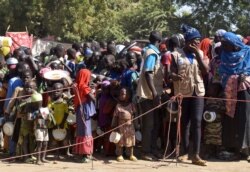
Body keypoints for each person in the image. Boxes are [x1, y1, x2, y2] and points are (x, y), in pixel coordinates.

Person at [170, 24, 209, 166]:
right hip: (183, 92)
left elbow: (205, 71)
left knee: (197, 121)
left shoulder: (201, 54)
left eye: (198, 40)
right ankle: (184, 152)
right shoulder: (175, 54)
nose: (197, 43)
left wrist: (198, 55)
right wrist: (174, 76)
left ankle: (196, 155)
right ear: (187, 41)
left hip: (198, 91)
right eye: (194, 40)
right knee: (184, 123)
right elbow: (171, 72)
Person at [219, 32, 250, 162]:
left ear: (233, 43)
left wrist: (245, 76)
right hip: (229, 91)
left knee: (245, 118)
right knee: (231, 119)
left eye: (226, 44)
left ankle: (247, 149)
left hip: (245, 90)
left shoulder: (248, 52)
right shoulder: (224, 55)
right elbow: (221, 72)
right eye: (223, 45)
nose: (224, 47)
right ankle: (235, 148)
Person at [136, 30, 164, 161]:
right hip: (148, 94)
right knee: (149, 124)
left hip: (151, 93)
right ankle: (145, 151)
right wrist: (154, 93)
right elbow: (148, 73)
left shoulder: (146, 50)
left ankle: (153, 148)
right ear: (159, 42)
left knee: (155, 123)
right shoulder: (152, 54)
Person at [74, 69, 96, 163]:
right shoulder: (83, 86)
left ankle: (82, 153)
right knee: (86, 131)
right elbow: (92, 98)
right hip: (85, 110)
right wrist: (94, 91)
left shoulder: (77, 85)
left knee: (81, 131)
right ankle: (86, 154)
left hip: (80, 109)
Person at [111, 87, 138, 162]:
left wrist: (136, 125)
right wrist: (114, 126)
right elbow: (115, 117)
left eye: (123, 94)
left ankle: (131, 155)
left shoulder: (132, 105)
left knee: (131, 140)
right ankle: (120, 155)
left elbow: (135, 115)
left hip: (130, 125)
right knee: (120, 141)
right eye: (120, 94)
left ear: (128, 96)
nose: (121, 96)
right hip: (121, 126)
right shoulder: (118, 106)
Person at [48, 82, 69, 160]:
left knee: (65, 138)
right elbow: (49, 110)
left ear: (62, 91)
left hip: (63, 123)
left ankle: (67, 152)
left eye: (58, 91)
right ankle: (57, 153)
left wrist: (63, 123)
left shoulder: (64, 102)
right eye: (54, 90)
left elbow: (66, 113)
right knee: (56, 138)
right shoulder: (51, 102)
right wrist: (54, 123)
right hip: (54, 123)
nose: (55, 92)